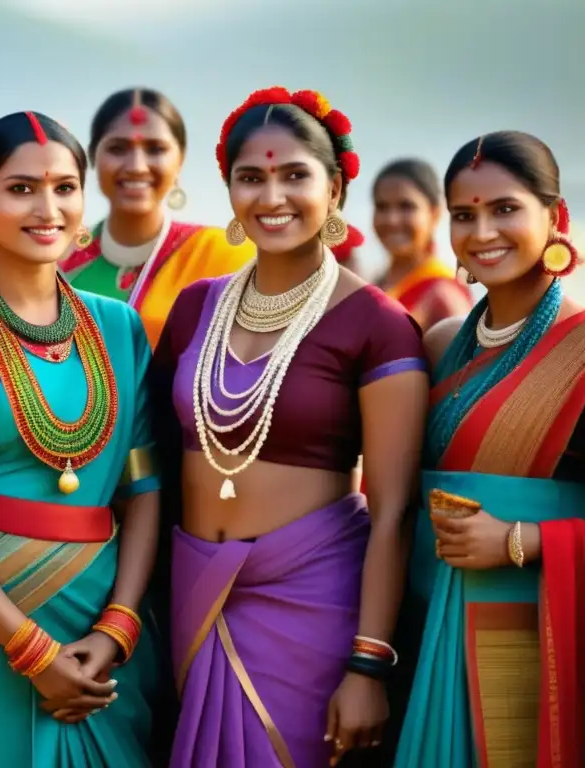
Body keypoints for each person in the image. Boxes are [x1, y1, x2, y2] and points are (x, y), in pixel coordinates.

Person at [150, 86, 429, 767]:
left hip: (312, 603)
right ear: (230, 191)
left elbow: (393, 511)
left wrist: (368, 667)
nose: (272, 196)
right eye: (251, 177)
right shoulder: (195, 310)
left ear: (334, 188)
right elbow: (151, 462)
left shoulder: (377, 324)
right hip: (194, 591)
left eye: (294, 174)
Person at [0, 111, 162, 766]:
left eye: (65, 188)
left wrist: (119, 626)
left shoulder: (120, 330)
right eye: (22, 190)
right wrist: (31, 651)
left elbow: (147, 490)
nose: (48, 209)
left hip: (103, 627)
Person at [394, 131, 585, 768]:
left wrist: (520, 540)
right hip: (420, 627)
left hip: (537, 639)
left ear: (554, 218)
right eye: (464, 215)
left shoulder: (580, 354)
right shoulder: (438, 343)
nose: (483, 232)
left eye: (505, 208)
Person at [59, 87, 255, 347]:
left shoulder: (226, 256)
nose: (137, 166)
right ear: (93, 156)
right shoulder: (58, 259)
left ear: (180, 161)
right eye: (118, 148)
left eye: (155, 149)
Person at [373, 158, 472, 329]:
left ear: (435, 214)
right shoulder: (376, 282)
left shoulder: (443, 294)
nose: (392, 220)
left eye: (406, 207)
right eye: (382, 207)